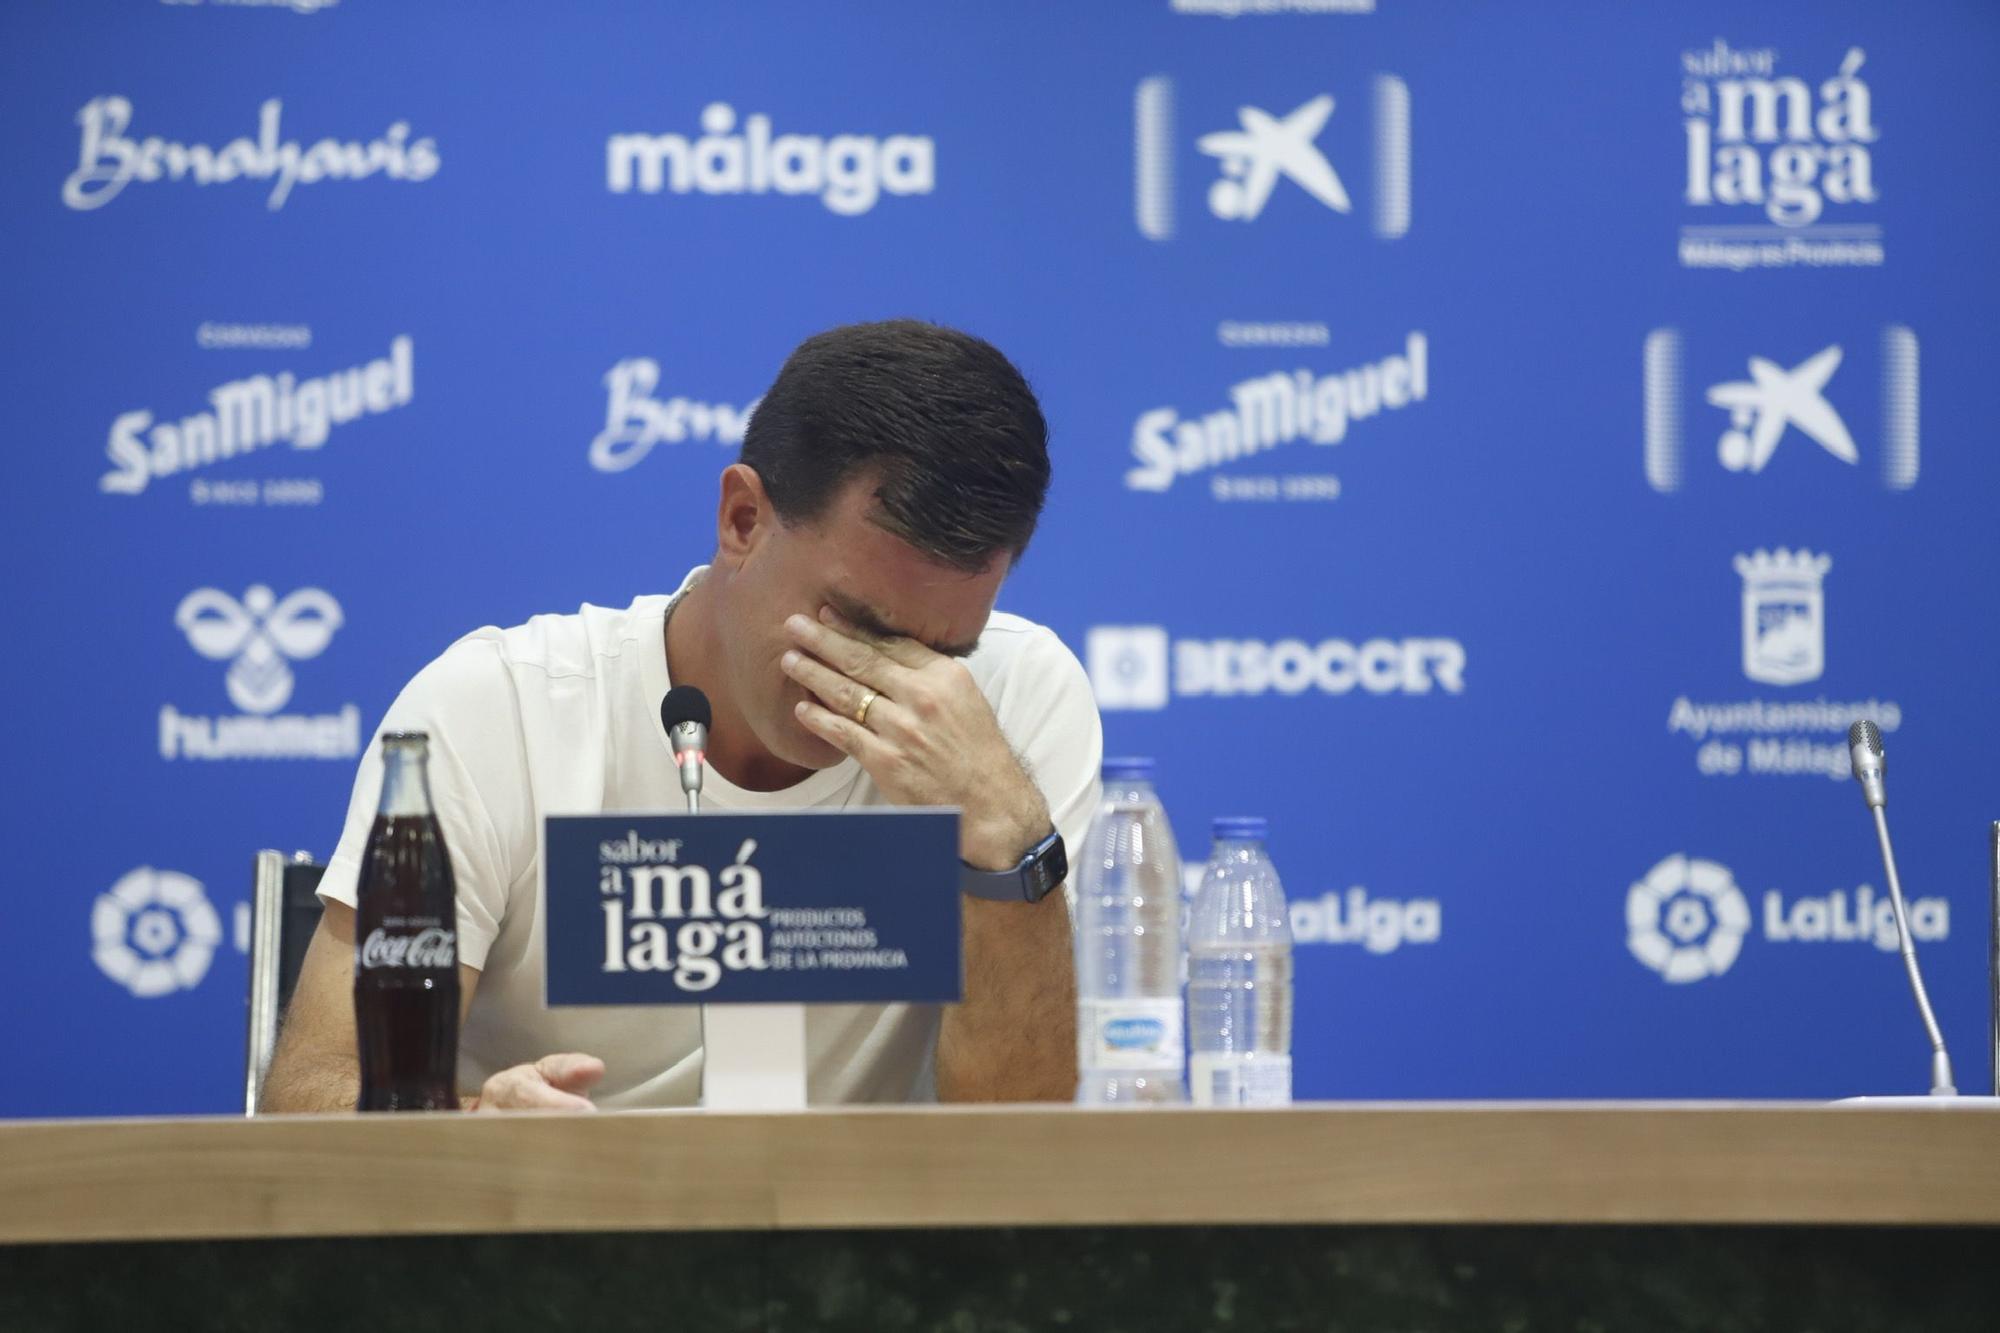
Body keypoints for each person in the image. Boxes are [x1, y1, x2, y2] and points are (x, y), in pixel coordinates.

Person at [260, 320, 1102, 1112]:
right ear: (743, 519)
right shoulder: (499, 709)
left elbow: (1018, 1145)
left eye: (942, 654)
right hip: (545, 1232)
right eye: (860, 627)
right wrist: (476, 1120)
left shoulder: (1012, 707)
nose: (891, 686)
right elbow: (311, 1089)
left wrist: (1002, 830)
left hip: (857, 1253)